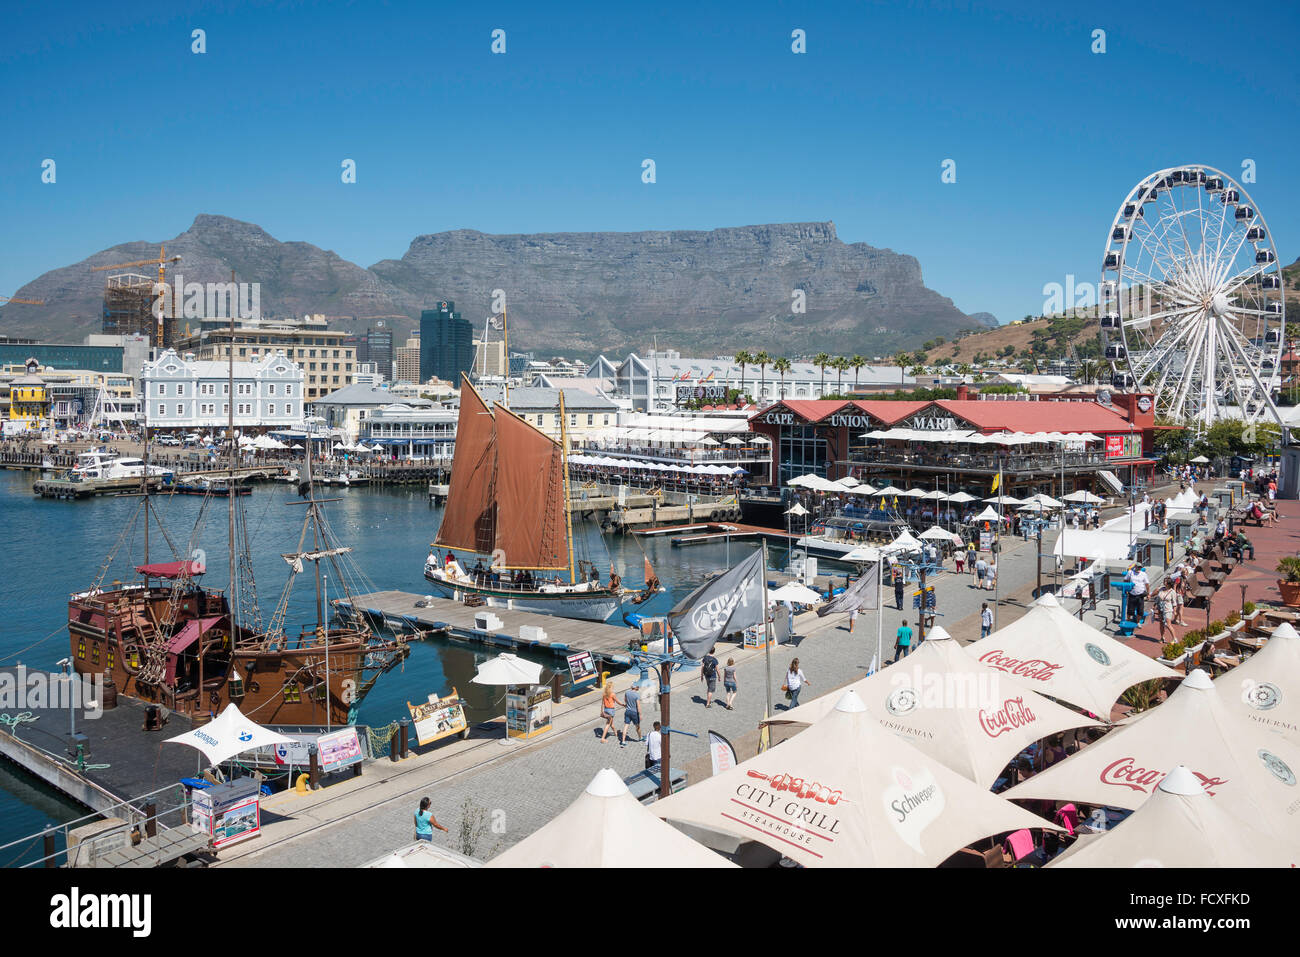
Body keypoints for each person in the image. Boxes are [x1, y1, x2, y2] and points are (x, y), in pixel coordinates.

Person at [619, 681, 642, 746]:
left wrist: (627, 705)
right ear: (636, 687)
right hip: (634, 713)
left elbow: (625, 699)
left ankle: (623, 741)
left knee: (626, 726)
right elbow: (638, 706)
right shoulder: (637, 695)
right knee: (637, 726)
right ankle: (640, 737)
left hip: (627, 711)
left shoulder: (627, 692)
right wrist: (640, 714)